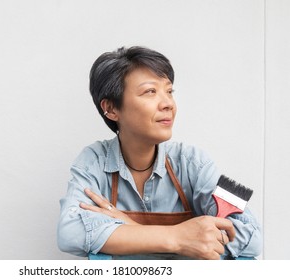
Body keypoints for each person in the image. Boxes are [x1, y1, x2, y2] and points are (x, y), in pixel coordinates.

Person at [57, 46, 262, 260]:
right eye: (150, 91)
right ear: (111, 109)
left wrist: (127, 226)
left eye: (169, 91)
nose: (168, 104)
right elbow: (70, 232)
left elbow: (252, 237)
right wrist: (178, 238)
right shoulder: (94, 162)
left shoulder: (193, 163)